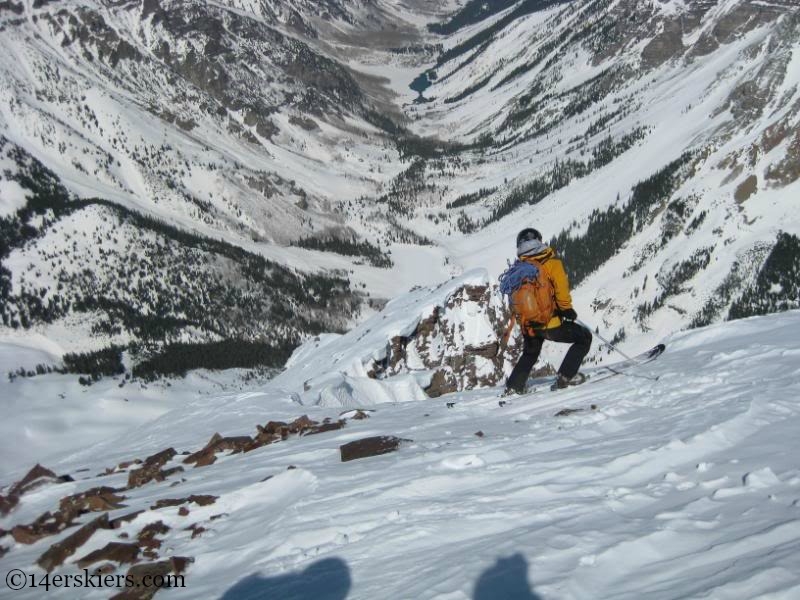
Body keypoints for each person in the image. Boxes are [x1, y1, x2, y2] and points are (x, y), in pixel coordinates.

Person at [504, 227, 592, 394]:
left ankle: (513, 387)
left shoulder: (519, 268)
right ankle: (565, 378)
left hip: (528, 325)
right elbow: (561, 291)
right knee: (584, 338)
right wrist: (567, 310)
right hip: (550, 323)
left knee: (530, 353)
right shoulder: (552, 263)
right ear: (539, 241)